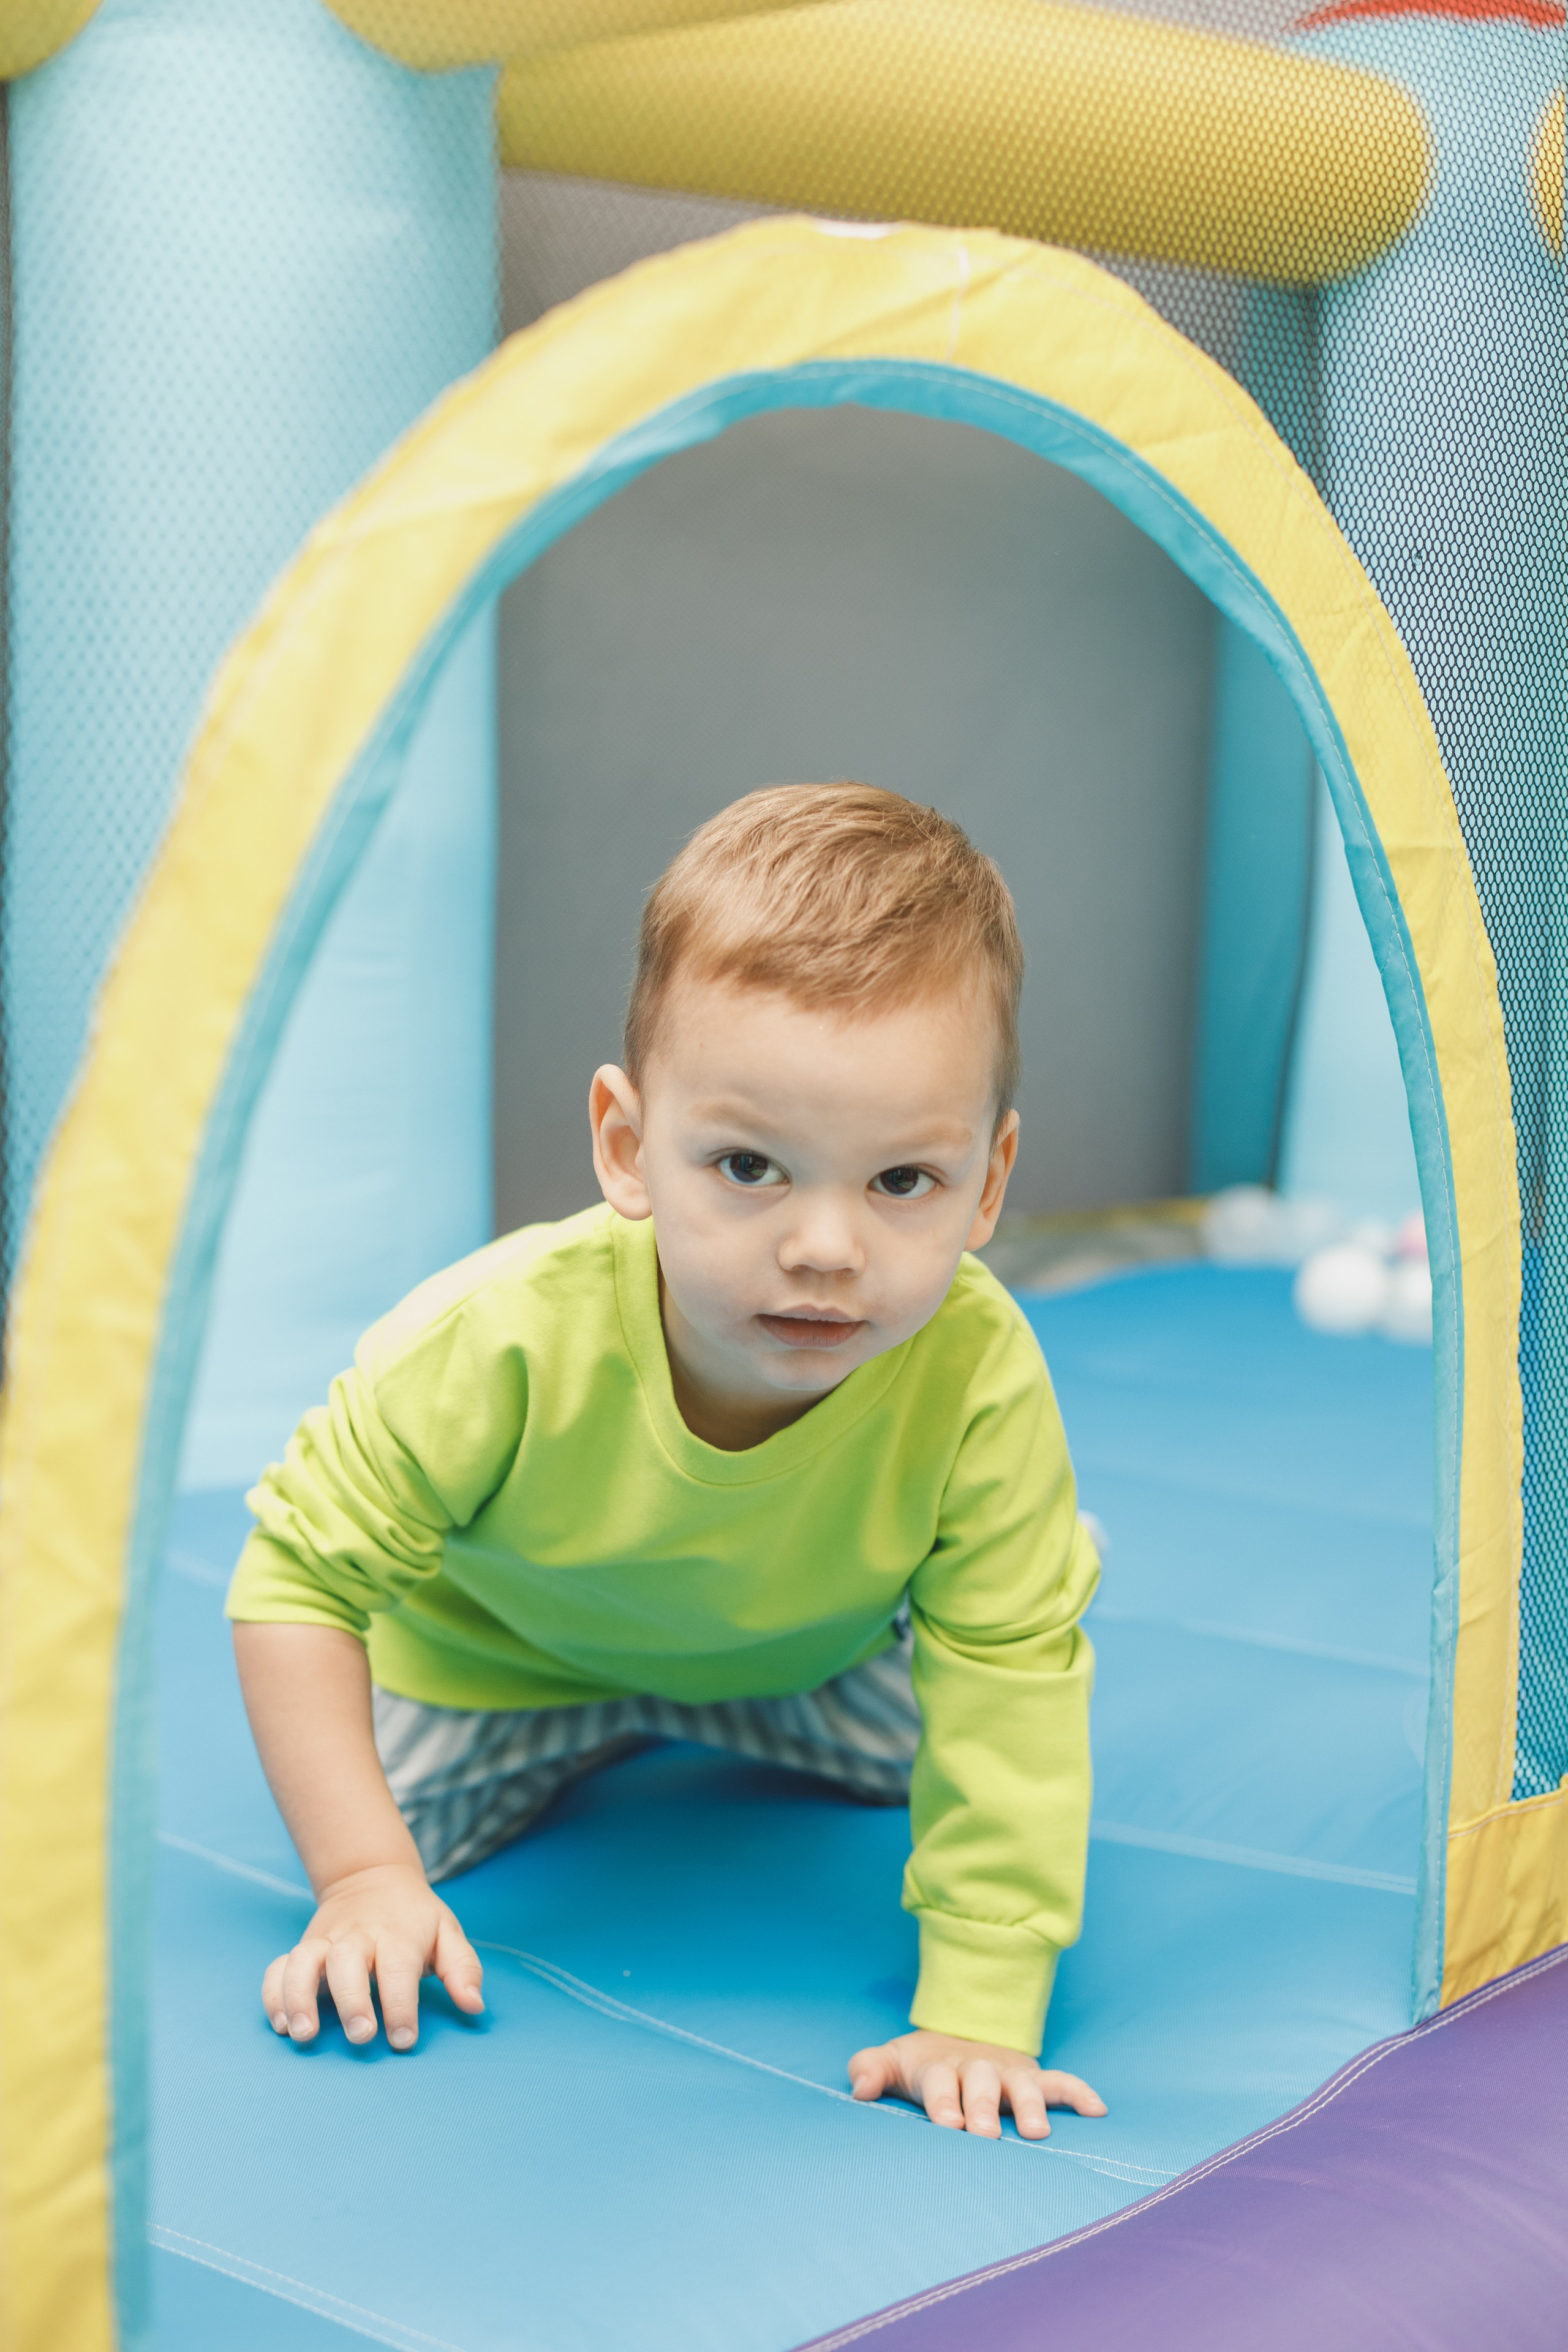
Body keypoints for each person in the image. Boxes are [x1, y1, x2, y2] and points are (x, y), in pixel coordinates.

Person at [228, 780, 1106, 2142]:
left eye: (900, 1183)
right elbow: (293, 1580)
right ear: (629, 1147)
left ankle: (1020, 1557)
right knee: (358, 1822)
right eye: (749, 1165)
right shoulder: (497, 1338)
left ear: (987, 1185)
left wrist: (979, 2012)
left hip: (805, 1667)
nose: (825, 1248)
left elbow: (1005, 1690)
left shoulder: (980, 1374)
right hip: (494, 1674)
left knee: (1010, 1668)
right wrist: (358, 1878)